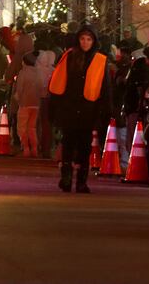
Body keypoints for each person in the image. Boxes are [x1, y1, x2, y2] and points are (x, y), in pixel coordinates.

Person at [49, 24, 111, 193]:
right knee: (68, 143)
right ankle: (67, 178)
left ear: (94, 41)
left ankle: (82, 181)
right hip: (69, 107)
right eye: (82, 39)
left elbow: (105, 88)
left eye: (89, 39)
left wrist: (104, 111)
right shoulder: (68, 56)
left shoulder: (100, 60)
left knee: (84, 146)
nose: (85, 42)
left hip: (88, 109)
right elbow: (58, 83)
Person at [14, 50, 43, 157]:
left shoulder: (23, 73)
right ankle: (34, 148)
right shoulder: (38, 72)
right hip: (36, 104)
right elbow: (41, 87)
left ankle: (26, 148)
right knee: (32, 127)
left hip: (25, 103)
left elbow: (20, 89)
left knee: (22, 127)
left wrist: (18, 98)